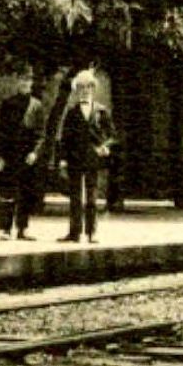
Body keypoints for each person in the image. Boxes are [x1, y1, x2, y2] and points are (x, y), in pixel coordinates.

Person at [56, 67, 115, 244]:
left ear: (92, 89)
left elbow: (112, 135)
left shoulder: (101, 111)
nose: (84, 91)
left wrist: (105, 147)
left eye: (87, 87)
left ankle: (92, 232)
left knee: (91, 197)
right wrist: (63, 159)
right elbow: (65, 138)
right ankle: (74, 233)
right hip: (74, 158)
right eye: (81, 87)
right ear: (77, 90)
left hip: (92, 158)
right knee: (75, 197)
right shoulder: (72, 111)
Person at [0, 64, 46, 241]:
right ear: (17, 81)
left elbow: (41, 134)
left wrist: (35, 153)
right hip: (10, 155)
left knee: (26, 193)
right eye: (22, 79)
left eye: (28, 80)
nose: (25, 83)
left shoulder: (37, 106)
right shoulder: (8, 104)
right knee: (7, 193)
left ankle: (23, 229)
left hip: (27, 156)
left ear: (32, 83)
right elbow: (1, 131)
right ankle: (6, 229)